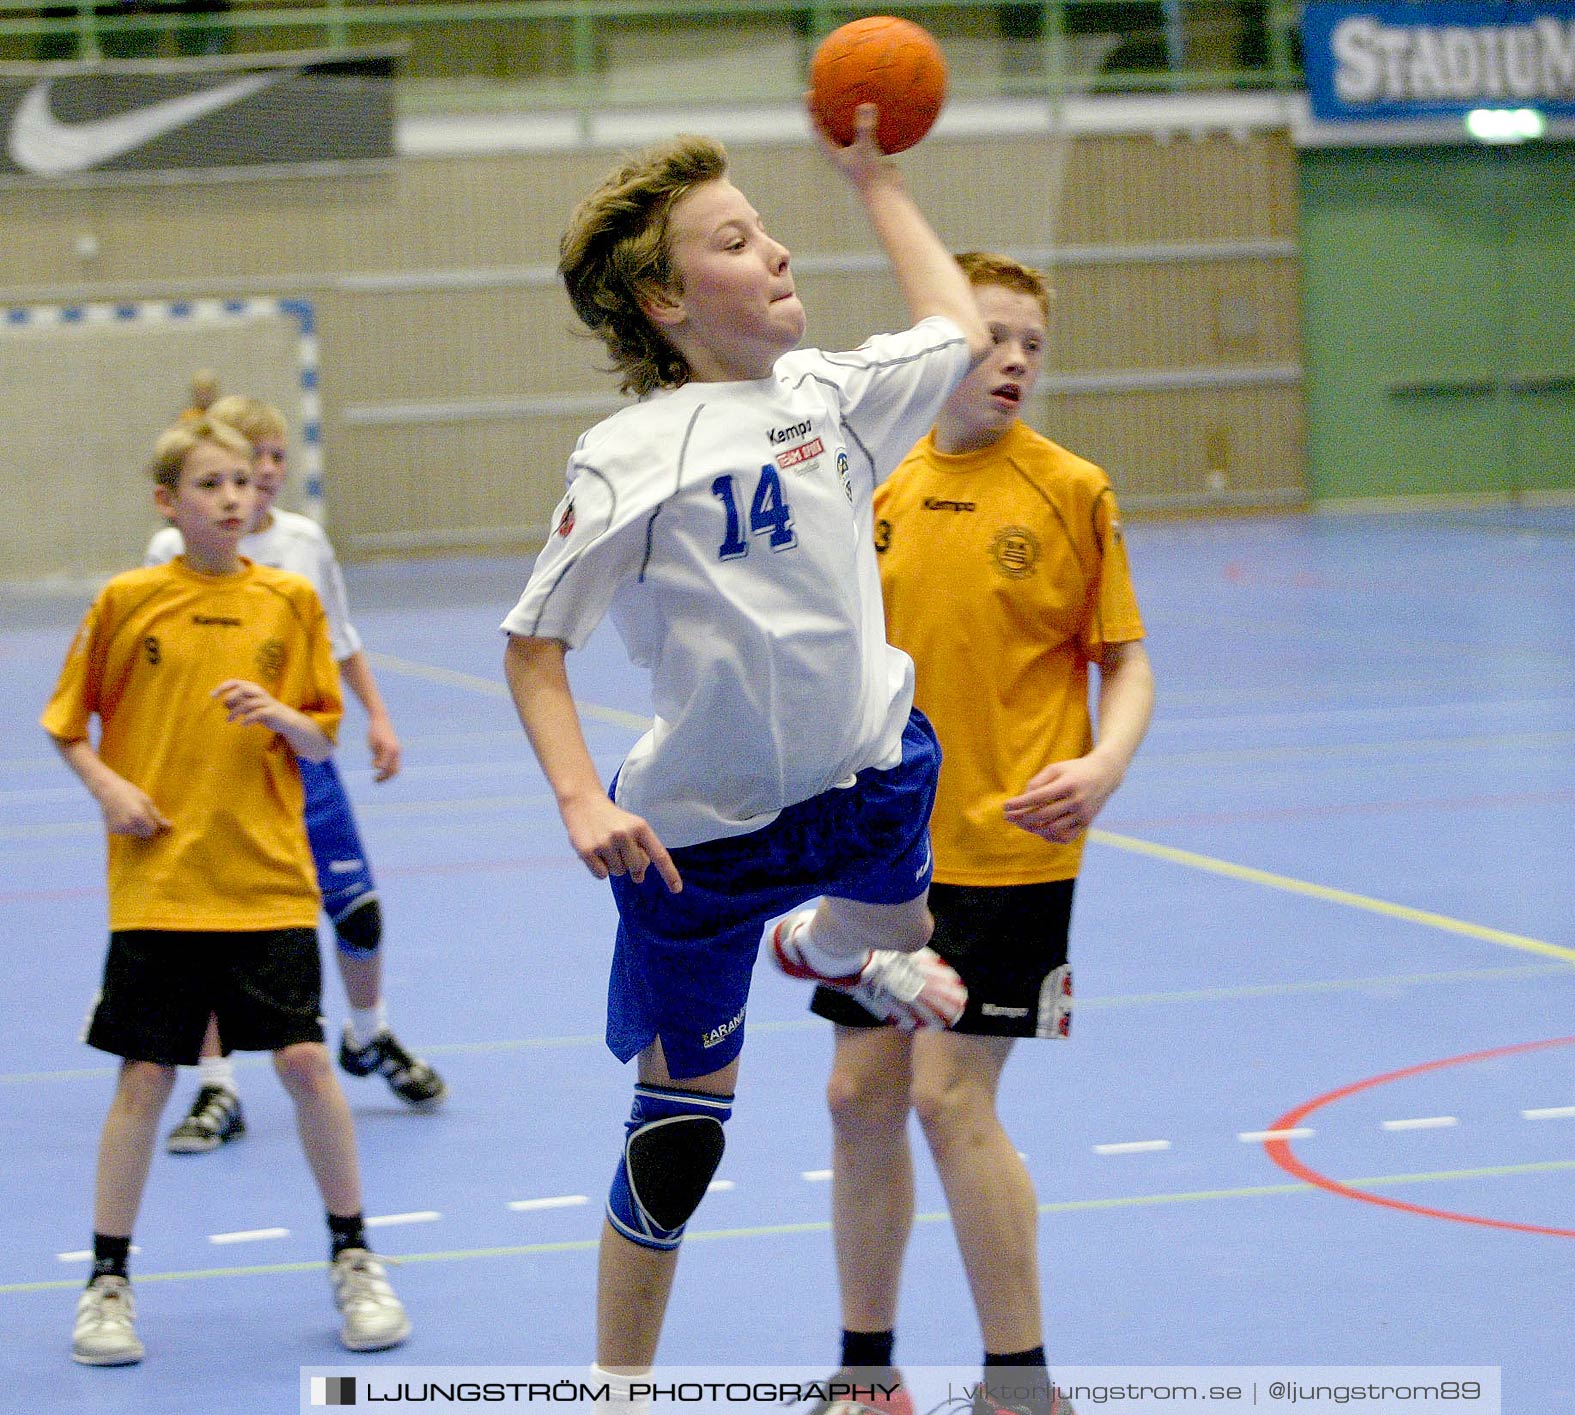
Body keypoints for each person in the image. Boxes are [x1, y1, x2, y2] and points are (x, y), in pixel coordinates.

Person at [500, 114, 990, 1370]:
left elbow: (958, 326)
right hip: (700, 839)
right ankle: (618, 1390)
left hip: (864, 782)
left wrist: (876, 181)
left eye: (768, 226)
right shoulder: (627, 456)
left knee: (901, 940)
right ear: (666, 297)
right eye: (735, 239)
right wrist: (576, 801)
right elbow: (534, 644)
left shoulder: (830, 395)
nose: (775, 250)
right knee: (679, 1144)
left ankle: (829, 944)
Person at [797, 253, 1154, 1415]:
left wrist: (1104, 759)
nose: (1012, 360)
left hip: (1008, 850)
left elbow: (1128, 660)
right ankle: (868, 1373)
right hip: (885, 853)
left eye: (1031, 344)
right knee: (860, 1097)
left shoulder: (1069, 488)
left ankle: (1021, 1384)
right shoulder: (881, 488)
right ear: (942, 346)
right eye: (990, 337)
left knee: (949, 1094)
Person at [43, 418, 410, 1366]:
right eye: (210, 484)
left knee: (303, 1064)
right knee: (146, 1079)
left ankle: (356, 1257)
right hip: (161, 884)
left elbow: (324, 736)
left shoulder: (288, 600)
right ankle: (108, 1282)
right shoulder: (128, 600)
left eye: (243, 482)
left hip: (268, 880)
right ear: (169, 503)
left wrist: (290, 715)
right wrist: (110, 786)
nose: (234, 498)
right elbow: (65, 723)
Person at [146, 392, 446, 1155]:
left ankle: (369, 1037)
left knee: (359, 913)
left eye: (275, 460)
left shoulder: (303, 545)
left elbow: (341, 639)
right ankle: (219, 1087)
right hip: (213, 775)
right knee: (209, 931)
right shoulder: (166, 558)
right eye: (249, 464)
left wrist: (376, 716)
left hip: (302, 764)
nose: (265, 476)